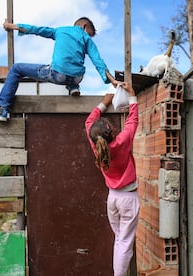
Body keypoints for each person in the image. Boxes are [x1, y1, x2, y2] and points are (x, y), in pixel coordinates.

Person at [0, 17, 118, 121]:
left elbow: (36, 29)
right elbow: (98, 61)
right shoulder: (86, 39)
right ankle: (73, 87)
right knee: (74, 73)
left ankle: (2, 108)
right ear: (84, 27)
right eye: (88, 34)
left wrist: (10, 26)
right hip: (78, 78)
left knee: (16, 68)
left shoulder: (59, 30)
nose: (88, 37)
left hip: (57, 74)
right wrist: (112, 80)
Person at [85, 82, 139, 276]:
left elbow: (88, 122)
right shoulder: (122, 142)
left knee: (120, 239)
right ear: (112, 131)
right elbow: (133, 120)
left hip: (113, 199)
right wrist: (132, 95)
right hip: (128, 199)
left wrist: (104, 102)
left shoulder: (95, 145)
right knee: (124, 242)